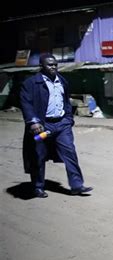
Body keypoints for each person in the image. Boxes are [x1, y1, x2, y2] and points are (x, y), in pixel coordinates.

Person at [20, 53, 93, 198]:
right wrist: (33, 121)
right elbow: (25, 103)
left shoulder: (62, 81)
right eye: (50, 64)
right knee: (38, 155)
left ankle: (77, 186)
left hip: (62, 125)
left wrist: (68, 118)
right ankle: (38, 187)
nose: (53, 67)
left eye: (55, 64)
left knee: (70, 152)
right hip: (42, 126)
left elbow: (66, 101)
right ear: (41, 66)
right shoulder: (31, 83)